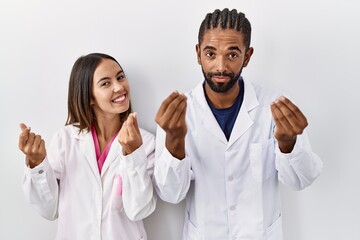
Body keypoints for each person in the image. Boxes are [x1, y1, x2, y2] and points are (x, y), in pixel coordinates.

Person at [154, 8, 323, 240]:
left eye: (232, 55)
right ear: (197, 53)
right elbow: (170, 194)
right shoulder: (179, 113)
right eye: (210, 54)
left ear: (248, 55)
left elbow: (302, 180)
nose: (220, 66)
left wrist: (288, 144)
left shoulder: (273, 107)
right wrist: (174, 141)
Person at [18, 53, 156, 240]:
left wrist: (133, 155)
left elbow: (139, 210)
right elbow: (48, 210)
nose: (119, 87)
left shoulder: (145, 143)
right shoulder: (65, 139)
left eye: (120, 77)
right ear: (89, 96)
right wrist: (37, 164)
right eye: (105, 83)